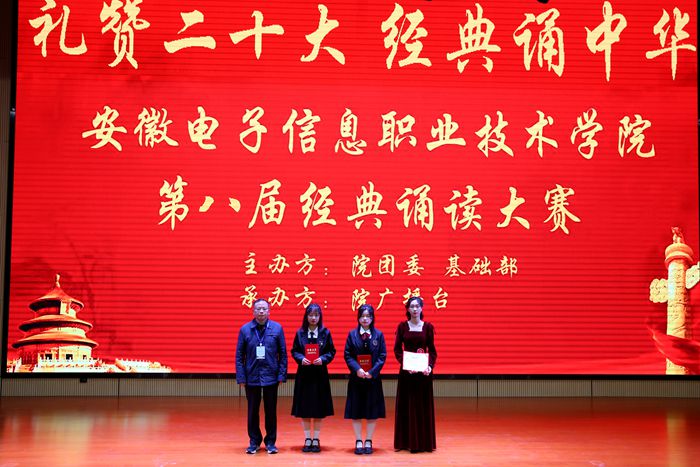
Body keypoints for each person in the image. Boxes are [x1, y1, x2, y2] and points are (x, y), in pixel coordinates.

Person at [236, 298, 287, 454]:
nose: (261, 311)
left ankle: (270, 442)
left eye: (264, 309)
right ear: (253, 311)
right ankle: (254, 441)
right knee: (252, 411)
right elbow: (239, 356)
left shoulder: (277, 328)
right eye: (258, 309)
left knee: (271, 411)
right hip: (251, 376)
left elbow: (283, 354)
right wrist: (241, 378)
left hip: (271, 376)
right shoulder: (245, 330)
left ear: (269, 311)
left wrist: (281, 375)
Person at [393, 296, 437, 453]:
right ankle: (405, 442)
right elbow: (397, 350)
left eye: (417, 306)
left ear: (422, 308)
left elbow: (432, 351)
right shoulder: (402, 327)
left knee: (422, 407)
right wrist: (405, 364)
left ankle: (424, 443)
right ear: (407, 309)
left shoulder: (428, 327)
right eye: (412, 306)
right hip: (407, 374)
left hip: (423, 375)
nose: (415, 309)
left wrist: (429, 366)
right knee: (407, 406)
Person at [290, 303, 336, 453]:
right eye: (310, 315)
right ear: (306, 316)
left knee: (318, 408)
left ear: (320, 317)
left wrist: (323, 359)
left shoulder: (325, 333)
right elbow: (294, 351)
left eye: (316, 315)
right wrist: (300, 358)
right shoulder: (300, 333)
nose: (313, 318)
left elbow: (331, 351)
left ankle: (316, 438)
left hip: (319, 375)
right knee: (304, 408)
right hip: (304, 375)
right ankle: (307, 438)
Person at [344, 304, 386, 455]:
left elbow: (382, 356)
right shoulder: (352, 335)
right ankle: (358, 440)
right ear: (358, 318)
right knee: (356, 411)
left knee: (371, 411)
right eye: (362, 316)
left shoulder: (378, 335)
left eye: (368, 316)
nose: (365, 319)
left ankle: (368, 440)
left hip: (372, 379)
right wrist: (358, 369)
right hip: (357, 379)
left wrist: (372, 372)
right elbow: (347, 355)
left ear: (372, 318)